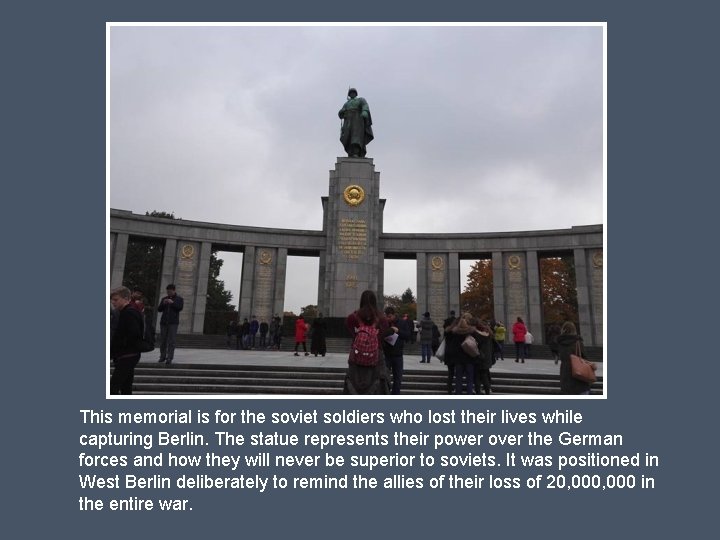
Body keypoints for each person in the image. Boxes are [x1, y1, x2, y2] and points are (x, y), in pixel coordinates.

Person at [343, 290, 390, 394]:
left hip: (356, 356)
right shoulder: (382, 319)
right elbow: (383, 336)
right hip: (376, 356)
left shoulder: (352, 318)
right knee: (378, 385)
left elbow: (352, 333)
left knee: (354, 384)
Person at [110, 286, 144, 394]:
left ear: (125, 299)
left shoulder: (129, 313)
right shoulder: (126, 312)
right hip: (127, 355)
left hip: (127, 355)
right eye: (112, 299)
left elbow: (133, 334)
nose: (113, 302)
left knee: (113, 388)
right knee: (126, 388)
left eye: (116, 300)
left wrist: (119, 347)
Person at [444, 313, 481, 395]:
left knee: (458, 379)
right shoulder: (472, 332)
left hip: (458, 360)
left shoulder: (455, 333)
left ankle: (458, 395)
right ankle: (469, 395)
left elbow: (447, 335)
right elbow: (477, 344)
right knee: (469, 380)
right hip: (470, 359)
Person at [557, 321, 596, 395]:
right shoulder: (577, 342)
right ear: (574, 330)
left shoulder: (560, 343)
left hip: (565, 377)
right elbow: (584, 358)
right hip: (579, 377)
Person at [382, 306, 411, 394]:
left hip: (398, 355)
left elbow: (407, 335)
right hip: (386, 354)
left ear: (394, 315)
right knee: (384, 378)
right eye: (386, 316)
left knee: (397, 379)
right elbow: (380, 335)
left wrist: (398, 331)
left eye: (390, 316)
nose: (388, 318)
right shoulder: (384, 323)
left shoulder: (402, 323)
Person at [338, 88, 374, 158]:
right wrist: (341, 112)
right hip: (348, 121)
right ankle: (350, 152)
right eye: (351, 93)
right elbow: (340, 113)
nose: (352, 94)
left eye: (353, 92)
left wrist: (365, 111)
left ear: (356, 93)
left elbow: (365, 106)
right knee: (347, 137)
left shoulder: (360, 100)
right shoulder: (346, 103)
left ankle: (356, 152)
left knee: (356, 137)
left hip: (357, 120)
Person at [157, 284, 183, 365]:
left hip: (173, 323)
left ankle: (169, 358)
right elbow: (159, 309)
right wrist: (163, 304)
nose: (169, 293)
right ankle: (162, 356)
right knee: (163, 340)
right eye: (167, 292)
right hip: (164, 322)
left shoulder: (179, 299)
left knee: (171, 341)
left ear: (174, 290)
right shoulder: (164, 299)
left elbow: (179, 308)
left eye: (170, 291)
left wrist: (172, 303)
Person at [473, 319, 495, 395]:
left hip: (479, 358)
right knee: (485, 377)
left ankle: (478, 393)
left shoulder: (477, 334)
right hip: (487, 359)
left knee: (477, 377)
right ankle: (487, 393)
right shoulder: (490, 335)